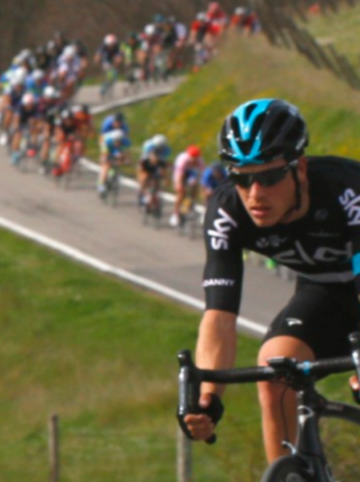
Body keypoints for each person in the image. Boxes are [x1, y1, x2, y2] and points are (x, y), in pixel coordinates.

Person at [180, 98, 360, 464]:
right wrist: (209, 398)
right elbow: (219, 316)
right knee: (275, 369)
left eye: (270, 177)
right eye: (241, 178)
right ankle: (290, 472)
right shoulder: (228, 212)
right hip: (325, 289)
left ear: (300, 169)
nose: (255, 193)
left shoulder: (347, 192)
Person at [170, 144, 205, 226]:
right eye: (192, 158)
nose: (194, 160)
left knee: (194, 187)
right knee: (180, 192)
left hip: (191, 173)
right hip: (181, 172)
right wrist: (179, 185)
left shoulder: (200, 161)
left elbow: (202, 174)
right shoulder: (183, 159)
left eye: (195, 158)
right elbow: (179, 175)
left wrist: (200, 186)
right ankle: (175, 214)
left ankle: (190, 204)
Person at [138, 134, 171, 208]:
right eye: (159, 147)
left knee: (159, 176)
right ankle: (142, 193)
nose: (160, 148)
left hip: (158, 161)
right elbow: (148, 160)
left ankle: (155, 192)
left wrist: (165, 174)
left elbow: (164, 162)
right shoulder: (149, 146)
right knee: (145, 176)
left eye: (162, 147)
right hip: (147, 161)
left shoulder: (166, 149)